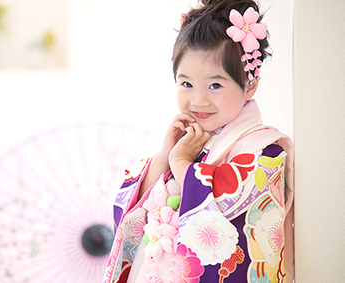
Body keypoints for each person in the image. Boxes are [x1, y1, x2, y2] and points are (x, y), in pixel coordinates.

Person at [103, 0, 294, 282]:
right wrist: (164, 156)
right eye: (186, 83)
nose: (198, 100)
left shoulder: (265, 150)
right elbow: (131, 215)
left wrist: (181, 164)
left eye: (215, 85)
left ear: (250, 83)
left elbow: (228, 209)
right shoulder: (191, 142)